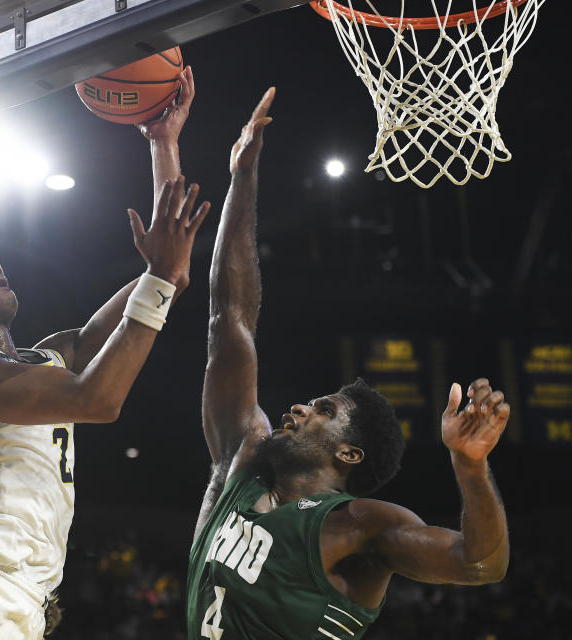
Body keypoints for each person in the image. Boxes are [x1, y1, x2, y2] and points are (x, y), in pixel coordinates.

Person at [0, 70, 210, 640]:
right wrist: (159, 277)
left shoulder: (53, 355)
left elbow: (167, 273)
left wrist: (162, 142)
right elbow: (99, 399)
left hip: (19, 601)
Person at [186, 88, 511, 639]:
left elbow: (481, 565)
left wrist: (472, 468)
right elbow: (230, 318)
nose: (298, 407)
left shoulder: (363, 528)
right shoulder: (240, 461)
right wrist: (242, 177)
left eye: (323, 409)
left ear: (349, 452)